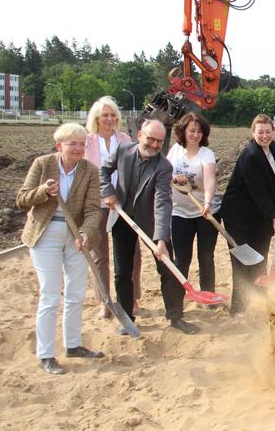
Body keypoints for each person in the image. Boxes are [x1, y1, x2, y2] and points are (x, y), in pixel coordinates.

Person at [17, 123, 104, 375]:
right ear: (60, 146)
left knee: (76, 292)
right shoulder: (43, 164)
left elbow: (92, 209)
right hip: (46, 234)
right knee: (51, 294)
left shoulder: (90, 170)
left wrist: (87, 232)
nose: (78, 148)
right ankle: (46, 354)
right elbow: (22, 199)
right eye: (72, 144)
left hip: (76, 235)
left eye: (81, 144)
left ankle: (74, 344)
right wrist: (43, 191)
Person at [100, 118, 199, 334]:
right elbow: (103, 172)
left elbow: (162, 201)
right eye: (151, 139)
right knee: (122, 272)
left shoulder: (164, 166)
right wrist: (108, 192)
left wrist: (161, 240)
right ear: (139, 136)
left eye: (160, 141)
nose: (155, 145)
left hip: (150, 222)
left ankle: (175, 317)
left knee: (167, 269)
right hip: (123, 217)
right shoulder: (122, 151)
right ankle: (127, 319)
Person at [84, 96, 143, 319]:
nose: (109, 119)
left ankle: (132, 298)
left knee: (132, 254)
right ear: (96, 118)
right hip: (97, 203)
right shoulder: (88, 141)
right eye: (105, 115)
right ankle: (105, 301)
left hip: (124, 204)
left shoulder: (125, 139)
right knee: (99, 255)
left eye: (113, 115)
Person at [220, 114, 275, 314]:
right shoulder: (251, 155)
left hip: (259, 217)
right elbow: (257, 190)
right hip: (239, 219)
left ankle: (260, 303)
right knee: (242, 264)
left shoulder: (271, 147)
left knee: (260, 259)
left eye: (268, 132)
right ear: (252, 133)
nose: (265, 136)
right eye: (260, 132)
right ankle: (238, 310)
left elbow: (272, 176)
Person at [167, 112, 220, 304]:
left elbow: (209, 178)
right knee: (182, 258)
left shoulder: (206, 154)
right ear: (183, 131)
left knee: (206, 257)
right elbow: (166, 173)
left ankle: (208, 297)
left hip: (203, 213)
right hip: (179, 213)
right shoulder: (175, 151)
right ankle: (178, 298)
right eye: (192, 130)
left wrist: (207, 202)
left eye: (199, 131)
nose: (195, 134)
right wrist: (174, 178)